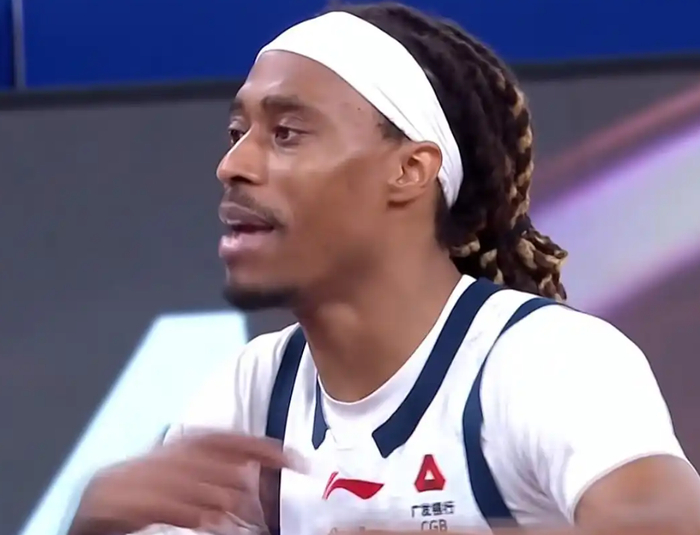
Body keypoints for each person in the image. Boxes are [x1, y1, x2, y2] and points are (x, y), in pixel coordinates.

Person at [66, 2, 700, 535]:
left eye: (286, 133)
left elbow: (667, 523)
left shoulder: (541, 357)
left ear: (409, 170)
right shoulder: (254, 389)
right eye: (238, 132)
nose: (232, 165)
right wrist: (93, 525)